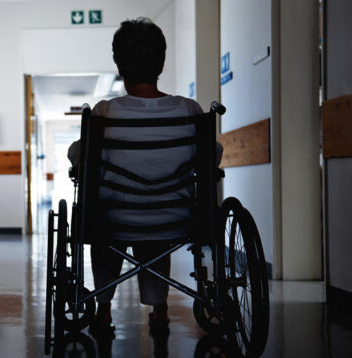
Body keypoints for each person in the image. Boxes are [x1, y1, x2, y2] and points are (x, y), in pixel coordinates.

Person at [67, 17, 222, 337]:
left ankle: (104, 308)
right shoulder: (189, 109)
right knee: (155, 234)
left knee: (103, 231)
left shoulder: (105, 112)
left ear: (119, 64)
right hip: (175, 219)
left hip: (115, 219)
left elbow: (78, 157)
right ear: (161, 62)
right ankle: (160, 309)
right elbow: (213, 157)